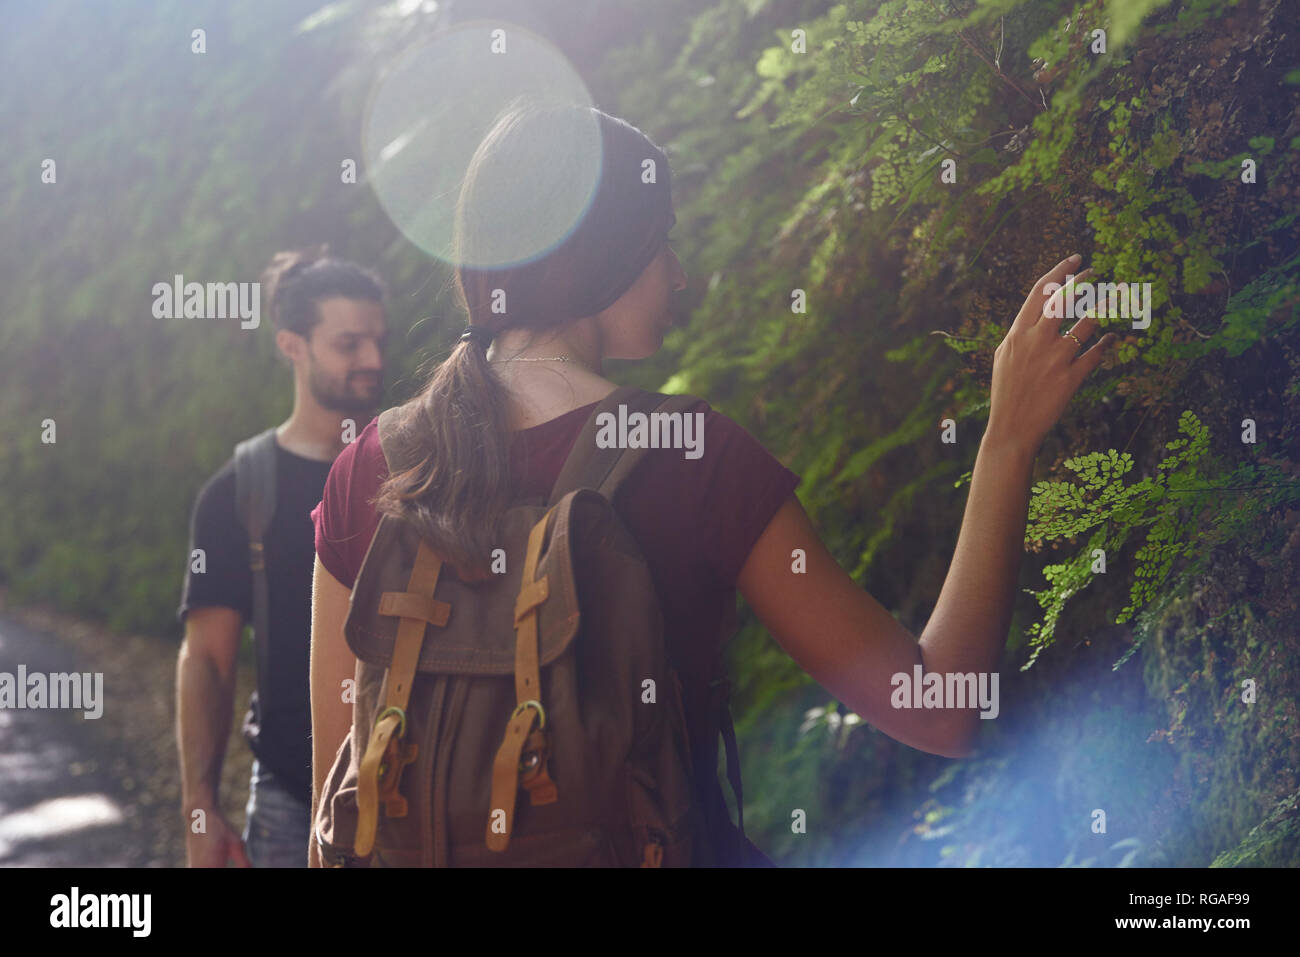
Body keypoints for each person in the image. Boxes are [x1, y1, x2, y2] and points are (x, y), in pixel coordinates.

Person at [307, 100, 1116, 867]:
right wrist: (1007, 440)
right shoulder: (693, 458)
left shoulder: (369, 469)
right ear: (606, 252)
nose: (681, 274)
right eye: (661, 243)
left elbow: (334, 809)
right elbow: (940, 709)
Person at [177, 246, 388, 867]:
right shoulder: (240, 490)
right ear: (292, 344)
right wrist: (200, 808)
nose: (373, 359)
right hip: (288, 804)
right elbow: (208, 661)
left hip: (411, 788)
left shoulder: (414, 468)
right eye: (349, 344)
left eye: (378, 339)